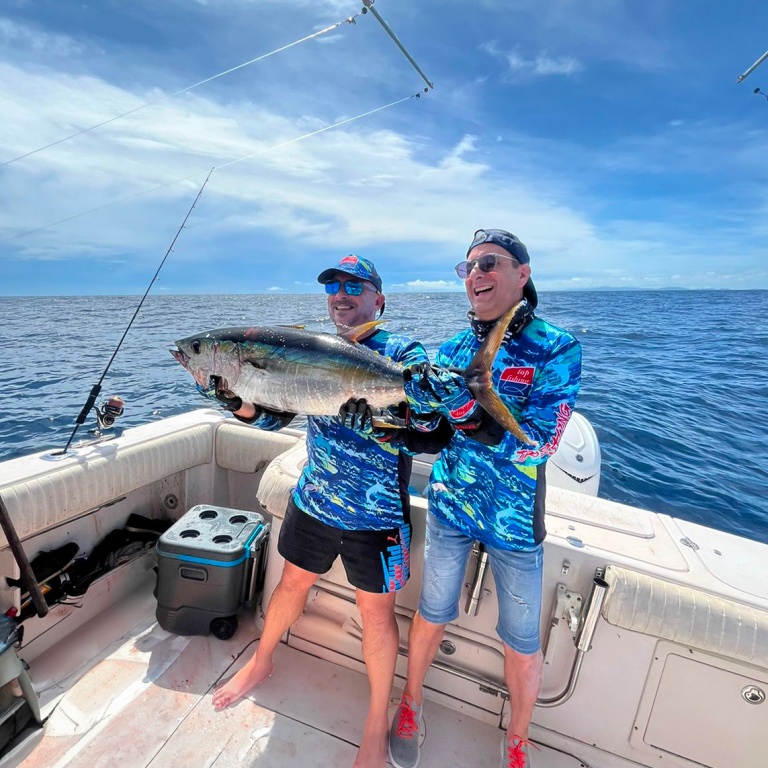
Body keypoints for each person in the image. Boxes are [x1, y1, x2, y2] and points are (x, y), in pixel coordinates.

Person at [209, 255, 448, 768]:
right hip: (314, 500)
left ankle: (373, 723)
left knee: (376, 615)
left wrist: (383, 419)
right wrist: (237, 403)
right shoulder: (312, 351)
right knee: (290, 585)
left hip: (378, 517)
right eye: (333, 287)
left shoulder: (404, 351)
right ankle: (262, 660)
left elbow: (428, 427)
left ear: (378, 299)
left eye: (354, 286)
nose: (342, 295)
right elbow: (277, 421)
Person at [389, 229, 582, 768]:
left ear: (523, 273)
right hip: (450, 506)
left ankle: (517, 739)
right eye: (468, 267)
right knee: (431, 611)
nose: (476, 273)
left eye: (490, 263)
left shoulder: (557, 348)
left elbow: (538, 443)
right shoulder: (450, 350)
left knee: (522, 640)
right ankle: (411, 702)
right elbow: (428, 432)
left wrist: (472, 414)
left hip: (514, 521)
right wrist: (392, 428)